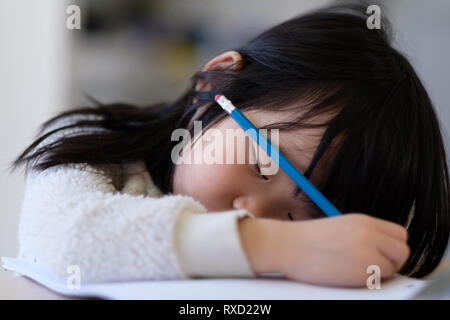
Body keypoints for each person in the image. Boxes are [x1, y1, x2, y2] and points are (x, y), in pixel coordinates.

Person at [11, 3, 449, 287]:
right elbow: (64, 236)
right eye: (262, 163)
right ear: (220, 81)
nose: (254, 213)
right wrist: (288, 245)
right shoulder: (94, 149)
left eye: (299, 219)